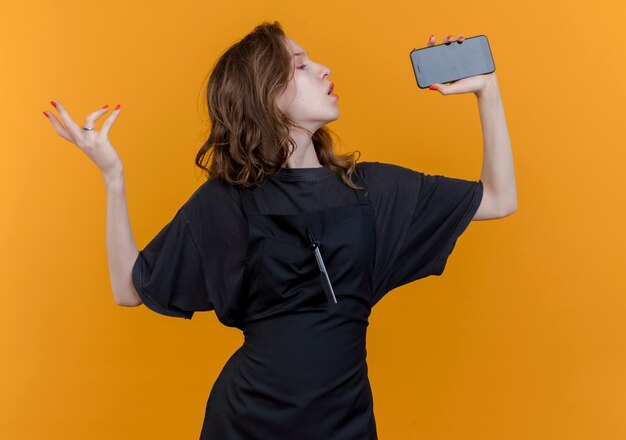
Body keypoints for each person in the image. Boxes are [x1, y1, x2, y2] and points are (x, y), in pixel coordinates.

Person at [43, 20, 516, 440]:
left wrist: (487, 90)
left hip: (346, 425)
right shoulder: (226, 202)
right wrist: (113, 176)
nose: (324, 68)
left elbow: (499, 199)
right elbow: (130, 289)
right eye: (302, 65)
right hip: (245, 423)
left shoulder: (372, 191)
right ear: (266, 93)